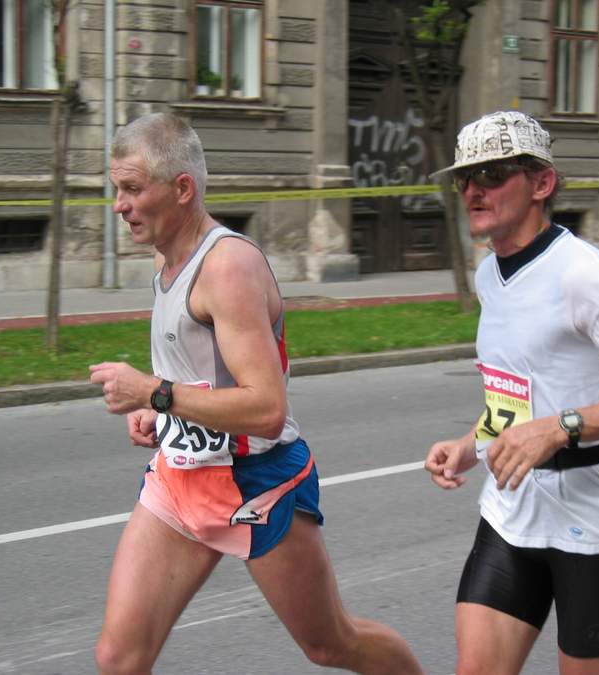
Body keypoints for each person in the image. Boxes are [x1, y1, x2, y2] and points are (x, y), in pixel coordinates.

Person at [89, 112, 423, 675]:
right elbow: (197, 368)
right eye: (116, 188)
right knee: (118, 658)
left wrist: (157, 393)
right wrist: (158, 412)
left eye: (132, 189)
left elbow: (266, 410)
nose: (119, 205)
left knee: (330, 644)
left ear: (182, 189)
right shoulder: (166, 253)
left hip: (255, 482)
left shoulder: (227, 268)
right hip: (182, 478)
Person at [425, 111, 599, 675]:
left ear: (542, 183)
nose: (473, 190)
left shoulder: (585, 276)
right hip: (512, 510)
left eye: (492, 174)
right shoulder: (489, 275)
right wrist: (471, 444)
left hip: (594, 520)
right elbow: (518, 395)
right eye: (464, 178)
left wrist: (560, 428)